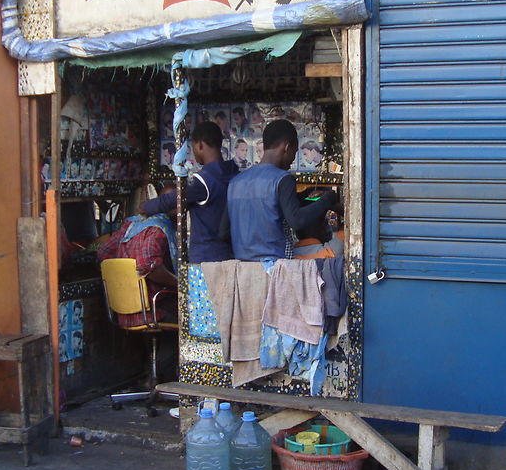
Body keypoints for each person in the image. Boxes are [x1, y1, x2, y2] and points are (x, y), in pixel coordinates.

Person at [222, 119, 340, 261]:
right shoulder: (282, 179)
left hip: (243, 270)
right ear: (287, 147)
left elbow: (223, 232)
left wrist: (308, 195)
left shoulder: (236, 182)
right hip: (274, 271)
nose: (292, 160)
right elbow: (296, 220)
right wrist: (328, 199)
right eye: (294, 152)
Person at [140, 121, 238, 263]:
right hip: (230, 255)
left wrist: (146, 207)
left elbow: (172, 198)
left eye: (193, 148)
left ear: (199, 145)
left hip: (205, 257)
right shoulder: (234, 175)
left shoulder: (203, 181)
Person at [97, 208, 177, 328]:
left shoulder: (129, 226)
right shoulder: (157, 229)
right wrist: (180, 283)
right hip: (153, 313)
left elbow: (103, 253)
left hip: (122, 311)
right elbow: (150, 267)